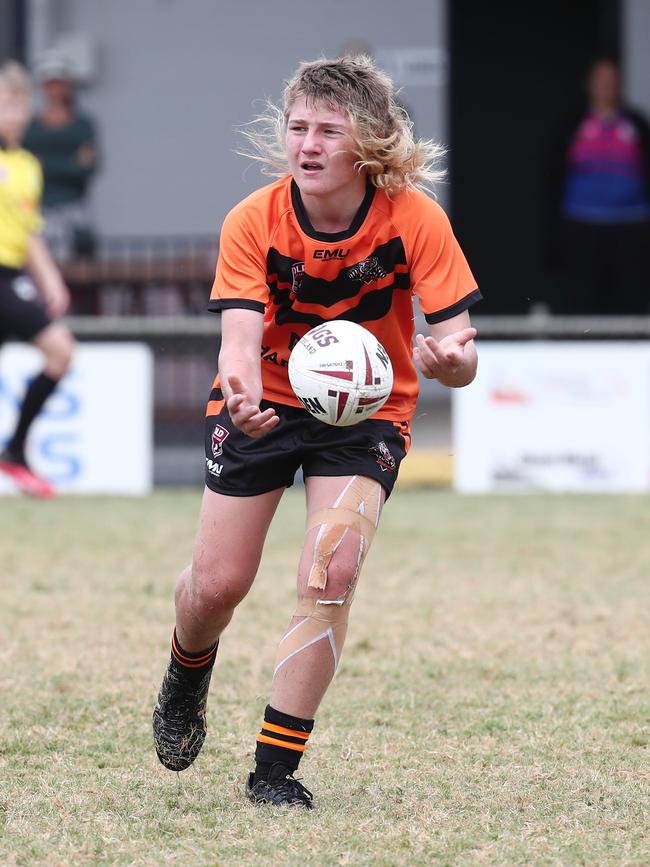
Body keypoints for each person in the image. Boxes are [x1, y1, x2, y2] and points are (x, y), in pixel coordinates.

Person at [152, 55, 481, 808]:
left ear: (367, 141)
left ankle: (274, 769)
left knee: (329, 572)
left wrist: (448, 360)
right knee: (217, 584)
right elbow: (237, 342)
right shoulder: (254, 220)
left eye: (328, 130)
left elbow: (461, 347)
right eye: (298, 126)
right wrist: (239, 395)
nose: (308, 143)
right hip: (261, 401)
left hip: (366, 416)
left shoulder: (414, 218)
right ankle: (186, 666)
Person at [0, 61, 75, 498]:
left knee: (60, 353)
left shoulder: (27, 164)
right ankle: (14, 452)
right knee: (60, 350)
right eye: (6, 104)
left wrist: (51, 281)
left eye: (19, 104)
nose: (14, 114)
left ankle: (14, 450)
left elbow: (29, 233)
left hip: (9, 278)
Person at [548, 57, 650, 314]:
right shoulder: (572, 123)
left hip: (632, 223)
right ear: (589, 84)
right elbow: (553, 173)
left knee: (632, 297)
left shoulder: (636, 123)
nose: (606, 86)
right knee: (583, 298)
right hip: (582, 222)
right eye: (600, 80)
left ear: (620, 84)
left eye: (611, 80)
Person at [22, 51, 99, 260]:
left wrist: (44, 163)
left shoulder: (83, 125)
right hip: (39, 209)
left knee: (82, 260)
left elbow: (88, 167)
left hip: (75, 209)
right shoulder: (30, 127)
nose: (55, 90)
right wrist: (69, 162)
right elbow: (24, 168)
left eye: (60, 83)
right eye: (50, 84)